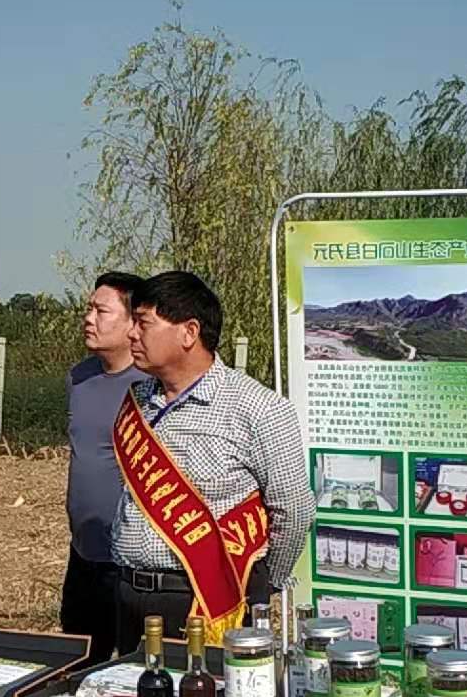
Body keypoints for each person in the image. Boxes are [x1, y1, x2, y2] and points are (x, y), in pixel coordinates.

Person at [110, 271, 312, 653]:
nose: (131, 334)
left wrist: (263, 583)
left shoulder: (258, 408)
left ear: (189, 332)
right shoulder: (138, 400)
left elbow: (294, 510)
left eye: (143, 323)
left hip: (205, 601)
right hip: (127, 594)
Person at [62, 272, 148, 661]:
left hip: (131, 562)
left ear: (133, 322)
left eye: (101, 311)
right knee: (78, 662)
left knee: (134, 667)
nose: (88, 318)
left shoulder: (150, 385)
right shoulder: (79, 378)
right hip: (83, 553)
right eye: (88, 309)